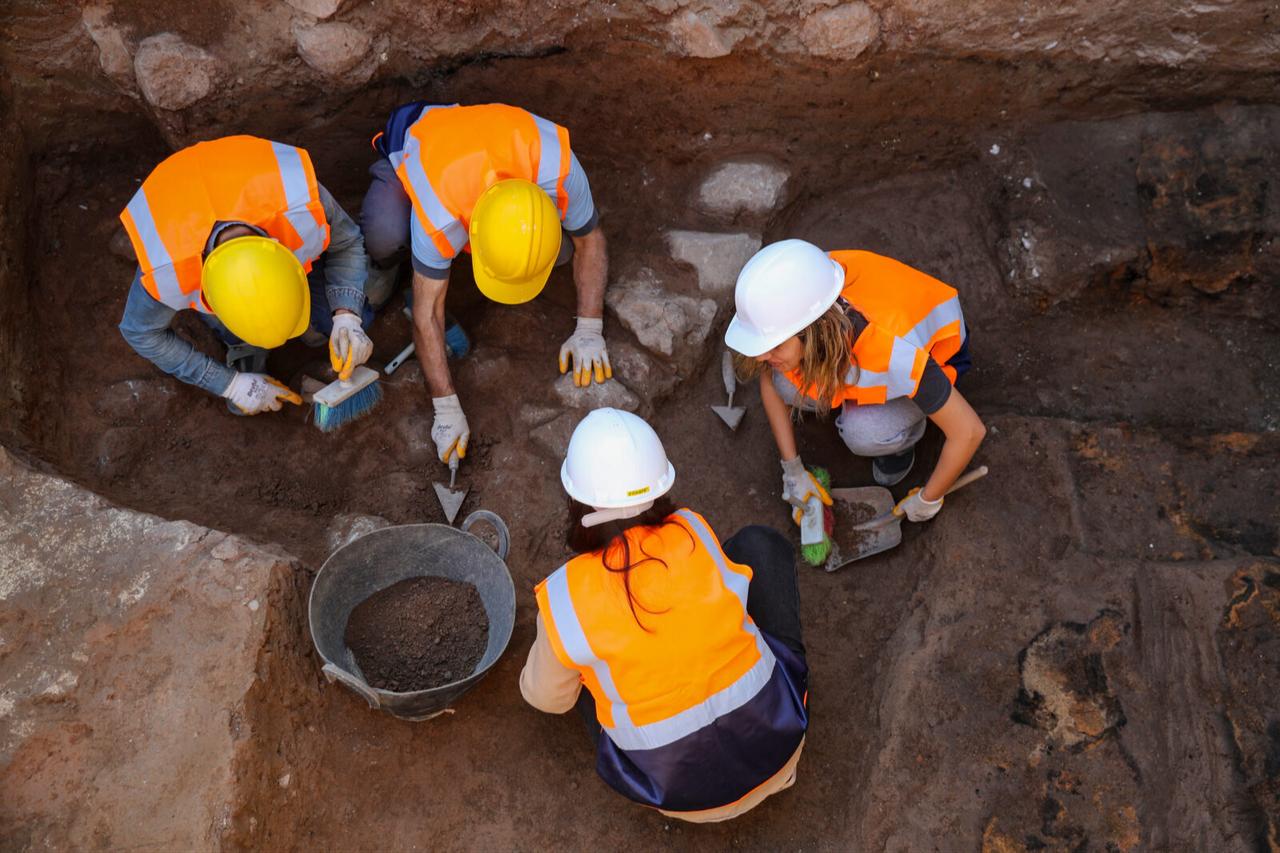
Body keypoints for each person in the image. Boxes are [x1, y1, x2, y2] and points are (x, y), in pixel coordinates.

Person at [520, 408, 808, 822]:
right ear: (659, 488)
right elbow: (735, 593)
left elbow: (545, 698)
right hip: (779, 749)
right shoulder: (690, 529)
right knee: (759, 545)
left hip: (680, 795)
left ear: (575, 500)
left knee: (575, 669)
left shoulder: (565, 598)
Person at [359, 102, 612, 466]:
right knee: (385, 233)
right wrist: (445, 406)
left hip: (495, 142)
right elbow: (427, 312)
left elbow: (590, 238)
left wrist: (589, 327)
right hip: (416, 139)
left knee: (562, 252)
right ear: (471, 237)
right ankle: (384, 265)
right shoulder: (438, 212)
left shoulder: (559, 168)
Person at [725, 239, 986, 524]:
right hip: (855, 352)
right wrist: (793, 471)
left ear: (814, 332)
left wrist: (929, 498)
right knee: (783, 380)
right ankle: (853, 396)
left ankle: (903, 440)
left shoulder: (894, 351)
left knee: (864, 432)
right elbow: (770, 381)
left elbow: (969, 431)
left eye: (774, 346)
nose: (764, 356)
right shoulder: (798, 290)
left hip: (935, 354)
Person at [117, 135, 374, 415]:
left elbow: (347, 242)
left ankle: (323, 311)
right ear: (207, 292)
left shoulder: (300, 201)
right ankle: (239, 340)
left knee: (351, 318)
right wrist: (229, 385)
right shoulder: (166, 265)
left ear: (285, 254)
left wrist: (347, 315)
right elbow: (140, 333)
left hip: (252, 177)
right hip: (178, 203)